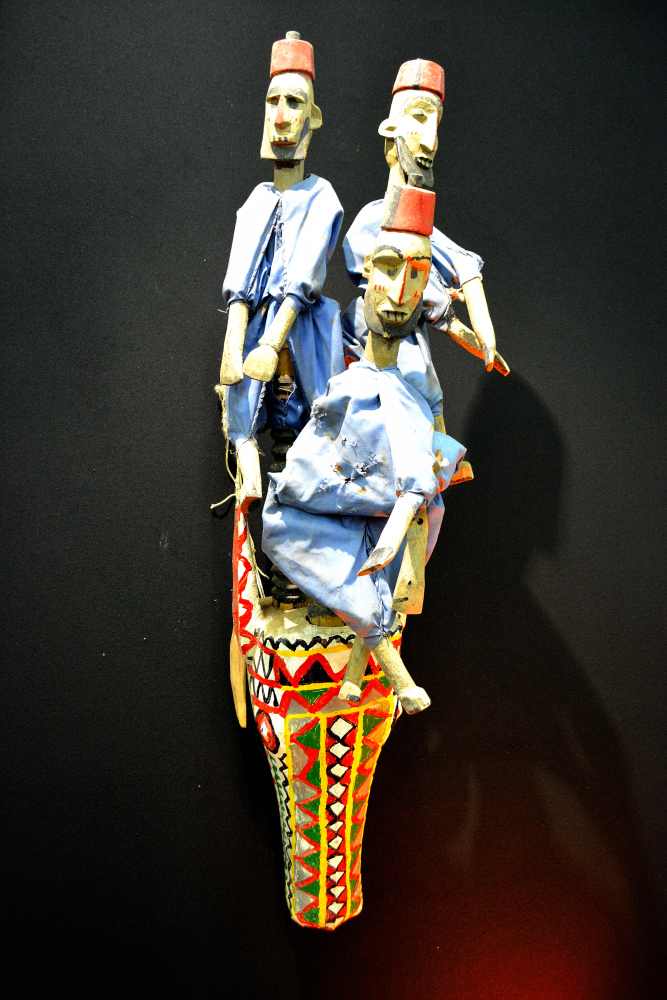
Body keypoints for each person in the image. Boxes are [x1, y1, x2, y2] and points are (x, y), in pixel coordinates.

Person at [263, 186, 465, 715]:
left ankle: (368, 669)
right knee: (294, 520)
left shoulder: (413, 369)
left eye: (417, 275)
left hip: (400, 472)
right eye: (389, 268)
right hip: (351, 453)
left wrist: (437, 465)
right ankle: (382, 668)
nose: (399, 291)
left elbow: (429, 412)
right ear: (367, 268)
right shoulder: (348, 342)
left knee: (396, 554)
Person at [342, 59, 505, 438]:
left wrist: (479, 331)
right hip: (369, 335)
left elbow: (461, 264)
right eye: (418, 118)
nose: (430, 141)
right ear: (391, 130)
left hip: (405, 335)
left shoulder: (420, 225)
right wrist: (452, 319)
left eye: (436, 127)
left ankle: (438, 456)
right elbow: (363, 260)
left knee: (425, 389)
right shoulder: (372, 219)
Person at [216, 32, 344, 505]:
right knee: (241, 415)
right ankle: (249, 476)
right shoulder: (256, 201)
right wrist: (235, 345)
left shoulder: (321, 196)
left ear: (313, 117)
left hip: (302, 328)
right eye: (273, 101)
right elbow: (240, 275)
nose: (282, 115)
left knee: (324, 419)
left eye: (295, 102)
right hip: (255, 332)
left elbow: (305, 274)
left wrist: (273, 342)